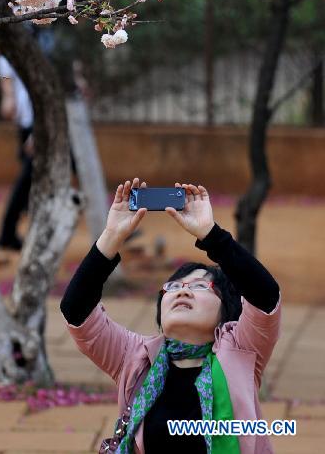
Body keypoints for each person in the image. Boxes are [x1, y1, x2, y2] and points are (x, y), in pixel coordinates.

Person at [60, 178, 281, 453]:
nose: (182, 291)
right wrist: (111, 236)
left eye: (200, 286)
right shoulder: (135, 358)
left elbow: (265, 296)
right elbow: (76, 312)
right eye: (174, 287)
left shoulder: (243, 349)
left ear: (228, 313)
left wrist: (210, 235)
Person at [0, 54, 34, 251]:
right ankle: (7, 233)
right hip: (33, 125)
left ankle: (7, 233)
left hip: (32, 123)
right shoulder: (19, 46)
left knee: (28, 180)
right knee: (26, 180)